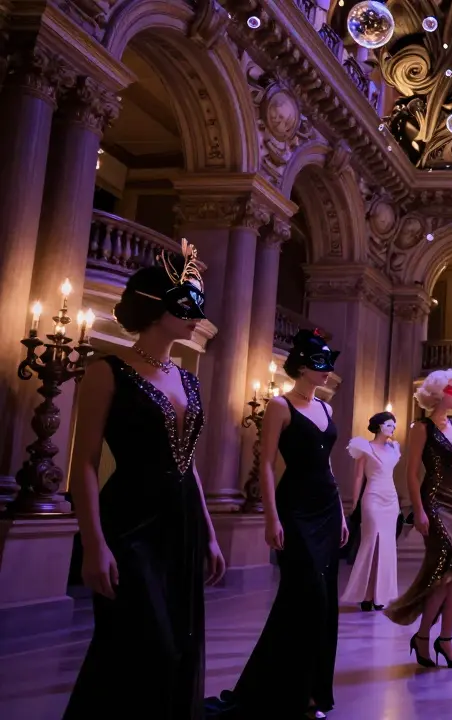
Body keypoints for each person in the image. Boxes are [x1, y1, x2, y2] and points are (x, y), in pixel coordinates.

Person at [65, 245, 225, 719]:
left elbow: (188, 463)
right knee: (141, 642)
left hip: (182, 526)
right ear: (156, 308)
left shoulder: (189, 380)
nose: (198, 318)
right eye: (187, 307)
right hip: (130, 523)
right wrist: (93, 544)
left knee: (179, 643)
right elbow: (85, 463)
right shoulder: (106, 371)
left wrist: (210, 533)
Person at [207, 330, 347, 719]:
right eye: (320, 364)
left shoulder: (327, 409)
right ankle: (292, 693)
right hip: (295, 508)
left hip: (326, 507)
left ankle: (312, 691)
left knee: (322, 601)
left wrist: (339, 511)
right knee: (307, 595)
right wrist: (271, 516)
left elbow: (328, 465)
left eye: (329, 364)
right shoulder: (279, 406)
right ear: (301, 366)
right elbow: (266, 464)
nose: (327, 371)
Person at [384, 369, 452, 669]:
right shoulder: (421, 428)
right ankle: (422, 636)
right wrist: (418, 510)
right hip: (434, 503)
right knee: (443, 573)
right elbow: (411, 474)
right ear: (438, 394)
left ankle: (445, 639)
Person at [341, 411, 402, 611]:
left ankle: (380, 595)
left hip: (390, 499)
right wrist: (355, 502)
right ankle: (365, 594)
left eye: (394, 425)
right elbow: (359, 477)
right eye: (389, 425)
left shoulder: (394, 448)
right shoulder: (364, 447)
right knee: (371, 543)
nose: (392, 428)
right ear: (379, 426)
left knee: (387, 546)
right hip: (372, 498)